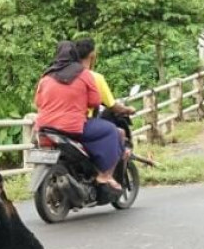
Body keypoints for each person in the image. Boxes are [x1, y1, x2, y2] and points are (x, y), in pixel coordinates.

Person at [33, 40, 125, 191]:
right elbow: (95, 102)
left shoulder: (46, 76)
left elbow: (38, 102)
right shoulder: (84, 74)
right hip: (72, 127)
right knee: (111, 130)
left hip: (44, 127)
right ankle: (105, 175)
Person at [74, 36, 137, 141]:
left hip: (58, 124)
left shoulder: (63, 75)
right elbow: (112, 106)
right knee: (118, 132)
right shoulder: (94, 77)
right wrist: (128, 110)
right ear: (92, 55)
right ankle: (115, 157)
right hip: (85, 123)